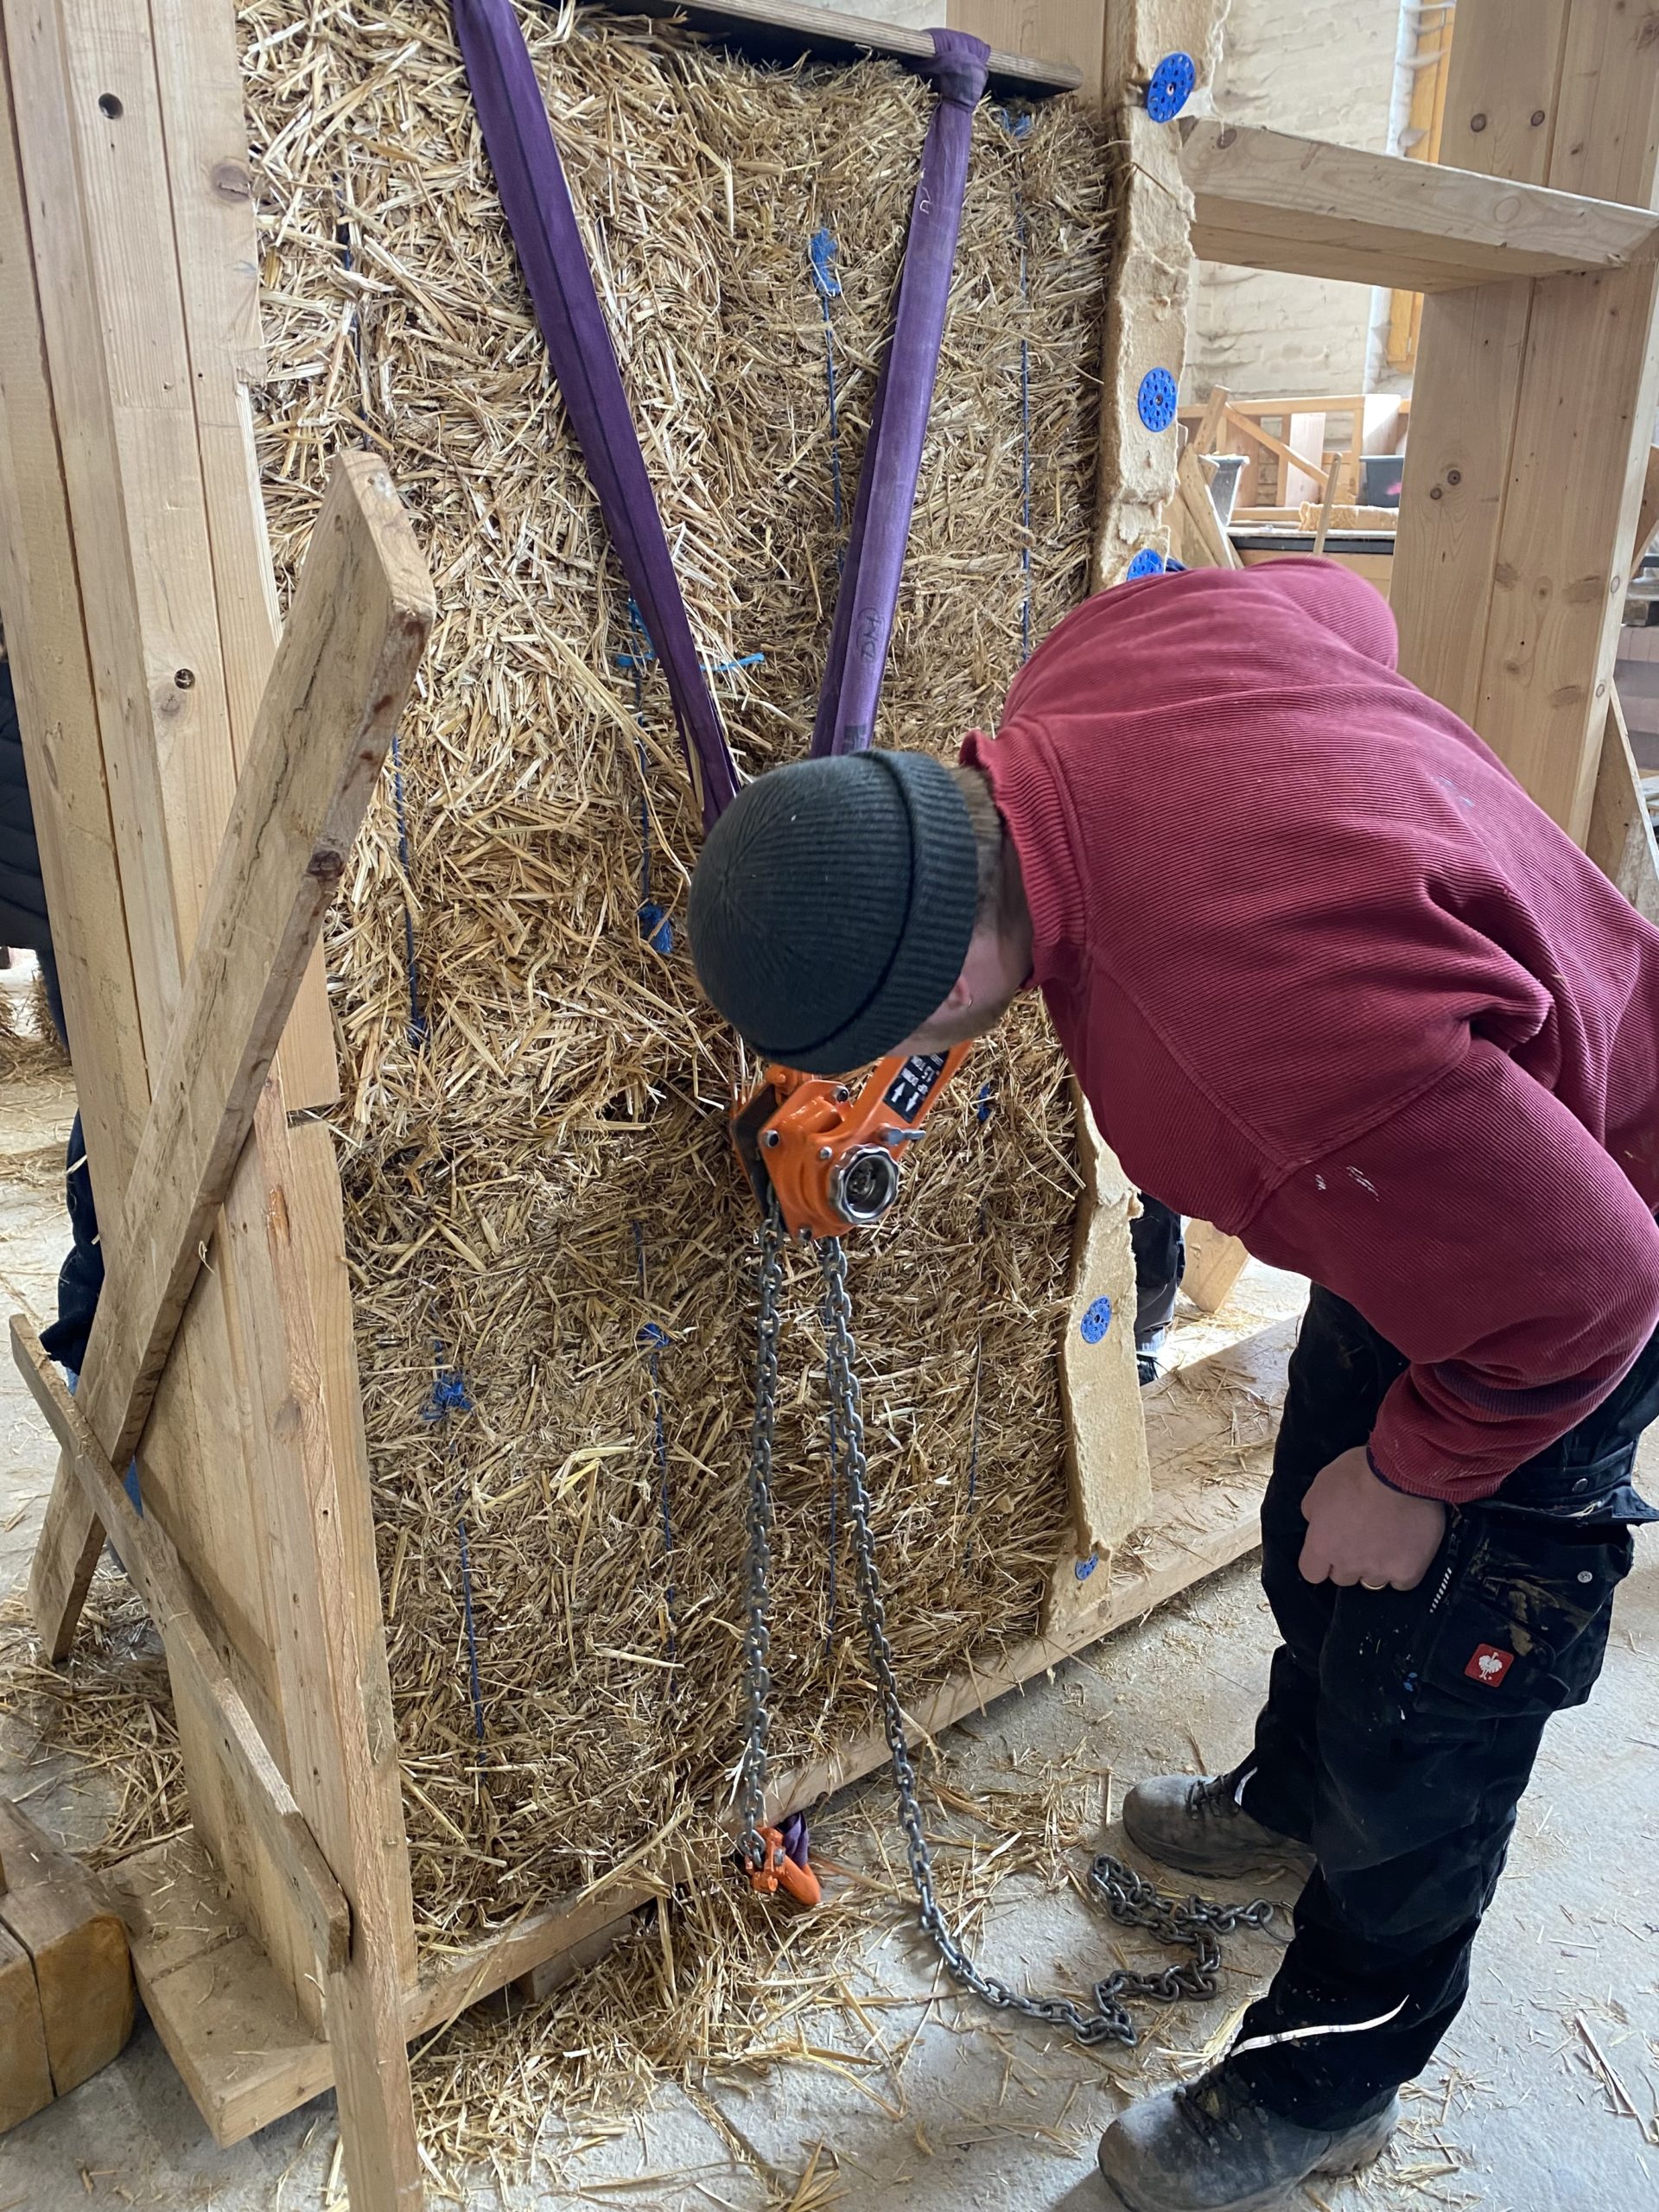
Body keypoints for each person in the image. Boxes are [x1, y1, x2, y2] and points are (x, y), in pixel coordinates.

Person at [686, 559, 1659, 2212]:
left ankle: (1328, 2077)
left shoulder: (1216, 1065)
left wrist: (1421, 1471)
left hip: (1585, 1242)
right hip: (1438, 1168)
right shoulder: (1111, 650)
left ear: (941, 996)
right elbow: (1353, 624)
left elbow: (1597, 1291)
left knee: (1429, 1705)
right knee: (1312, 1539)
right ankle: (1291, 1802)